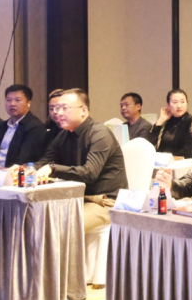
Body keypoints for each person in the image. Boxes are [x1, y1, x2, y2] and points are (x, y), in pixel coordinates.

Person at [35, 89, 128, 233]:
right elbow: (45, 161)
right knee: (37, 219)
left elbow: (89, 174)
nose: (58, 113)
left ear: (83, 111)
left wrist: (53, 168)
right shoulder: (64, 135)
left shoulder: (99, 133)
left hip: (104, 201)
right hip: (76, 198)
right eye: (57, 108)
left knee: (63, 228)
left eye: (64, 108)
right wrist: (24, 169)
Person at [0, 84, 46, 168]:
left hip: (13, 172)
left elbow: (24, 159)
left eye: (17, 100)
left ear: (28, 103)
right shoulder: (1, 126)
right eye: (8, 100)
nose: (12, 104)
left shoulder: (35, 127)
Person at [146, 89, 192, 158]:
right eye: (175, 102)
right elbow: (149, 143)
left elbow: (189, 150)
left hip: (181, 162)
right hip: (161, 161)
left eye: (182, 102)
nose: (179, 106)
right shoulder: (166, 121)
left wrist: (168, 158)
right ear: (168, 105)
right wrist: (161, 120)